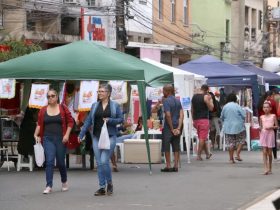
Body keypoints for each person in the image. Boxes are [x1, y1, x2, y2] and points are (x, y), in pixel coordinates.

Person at [78, 84, 123, 196]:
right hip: (96, 136)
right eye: (99, 91)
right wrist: (81, 134)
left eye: (102, 91)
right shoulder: (94, 105)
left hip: (110, 136)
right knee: (99, 163)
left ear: (108, 93)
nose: (99, 93)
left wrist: (110, 120)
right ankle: (102, 187)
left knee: (104, 161)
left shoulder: (115, 106)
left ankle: (110, 183)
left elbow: (121, 119)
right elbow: (88, 121)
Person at [34, 89, 74, 194]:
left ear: (57, 97)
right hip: (47, 138)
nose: (50, 98)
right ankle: (49, 185)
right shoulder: (43, 110)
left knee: (61, 162)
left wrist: (67, 135)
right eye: (48, 96)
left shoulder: (63, 108)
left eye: (52, 96)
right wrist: (35, 134)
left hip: (61, 139)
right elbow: (39, 123)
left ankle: (64, 181)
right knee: (49, 161)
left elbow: (70, 122)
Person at [161, 84, 184, 172]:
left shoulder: (166, 101)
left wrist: (171, 128)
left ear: (168, 91)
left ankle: (168, 165)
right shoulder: (178, 101)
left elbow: (168, 115)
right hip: (177, 125)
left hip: (168, 127)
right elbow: (182, 115)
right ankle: (176, 165)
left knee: (166, 146)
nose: (163, 92)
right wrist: (178, 128)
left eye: (163, 91)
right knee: (176, 146)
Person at [220, 93, 246, 164]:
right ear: (235, 99)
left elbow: (221, 117)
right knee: (242, 140)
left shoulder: (225, 106)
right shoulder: (237, 106)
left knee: (231, 143)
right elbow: (244, 115)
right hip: (239, 126)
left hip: (228, 127)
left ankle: (231, 159)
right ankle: (237, 153)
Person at [191, 84, 214, 161]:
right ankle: (198, 155)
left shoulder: (194, 97)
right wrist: (210, 100)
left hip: (196, 119)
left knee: (202, 137)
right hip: (204, 119)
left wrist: (193, 119)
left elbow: (192, 109)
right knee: (202, 138)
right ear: (207, 90)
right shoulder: (206, 97)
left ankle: (207, 154)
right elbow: (211, 108)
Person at [259, 101, 278, 175]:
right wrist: (260, 129)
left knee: (269, 153)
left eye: (267, 107)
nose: (265, 108)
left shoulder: (273, 116)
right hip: (263, 134)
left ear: (270, 108)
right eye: (264, 107)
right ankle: (265, 168)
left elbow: (277, 126)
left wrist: (271, 127)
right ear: (263, 108)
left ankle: (270, 167)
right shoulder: (261, 117)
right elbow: (260, 126)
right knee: (264, 152)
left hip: (270, 134)